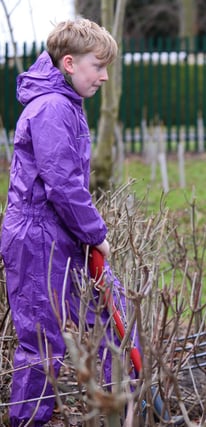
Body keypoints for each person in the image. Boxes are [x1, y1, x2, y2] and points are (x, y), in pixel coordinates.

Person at [0, 18, 127, 426]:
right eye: (98, 65)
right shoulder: (53, 107)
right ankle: (29, 421)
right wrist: (97, 234)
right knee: (41, 340)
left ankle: (120, 405)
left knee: (110, 313)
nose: (105, 76)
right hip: (38, 235)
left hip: (59, 231)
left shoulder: (65, 101)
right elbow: (62, 184)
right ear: (69, 63)